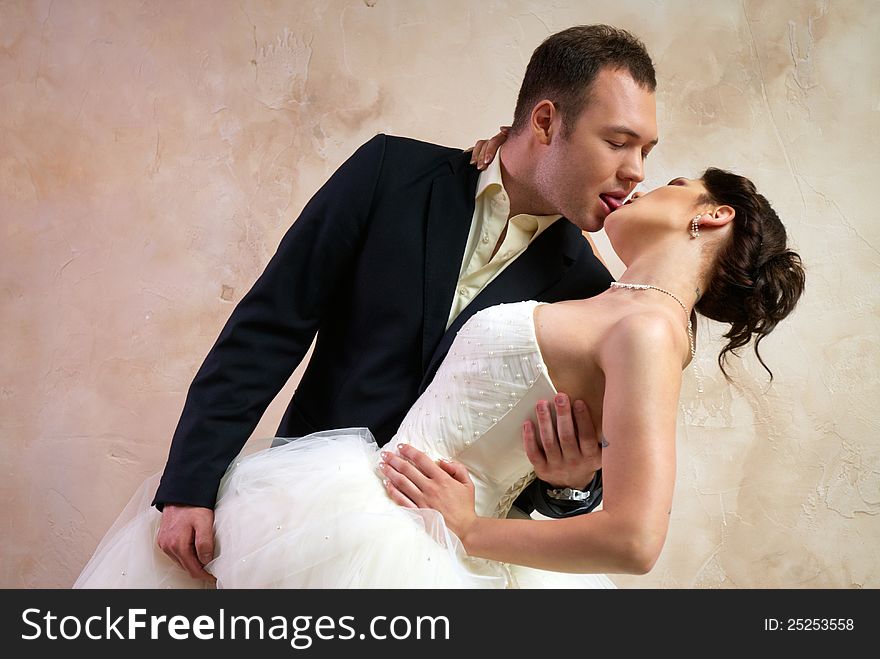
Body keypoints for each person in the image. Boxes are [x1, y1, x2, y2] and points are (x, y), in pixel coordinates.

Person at [74, 166, 805, 588]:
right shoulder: (613, 302)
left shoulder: (649, 327)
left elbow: (636, 537)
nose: (642, 176)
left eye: (673, 178)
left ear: (711, 214)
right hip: (346, 500)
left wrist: (475, 527)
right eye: (621, 145)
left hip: (405, 548)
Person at [133, 24, 659, 583]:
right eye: (618, 141)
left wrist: (571, 482)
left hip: (443, 565)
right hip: (299, 526)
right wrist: (191, 484)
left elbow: (556, 489)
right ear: (547, 121)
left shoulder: (589, 291)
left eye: (647, 151)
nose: (636, 172)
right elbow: (269, 329)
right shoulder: (390, 173)